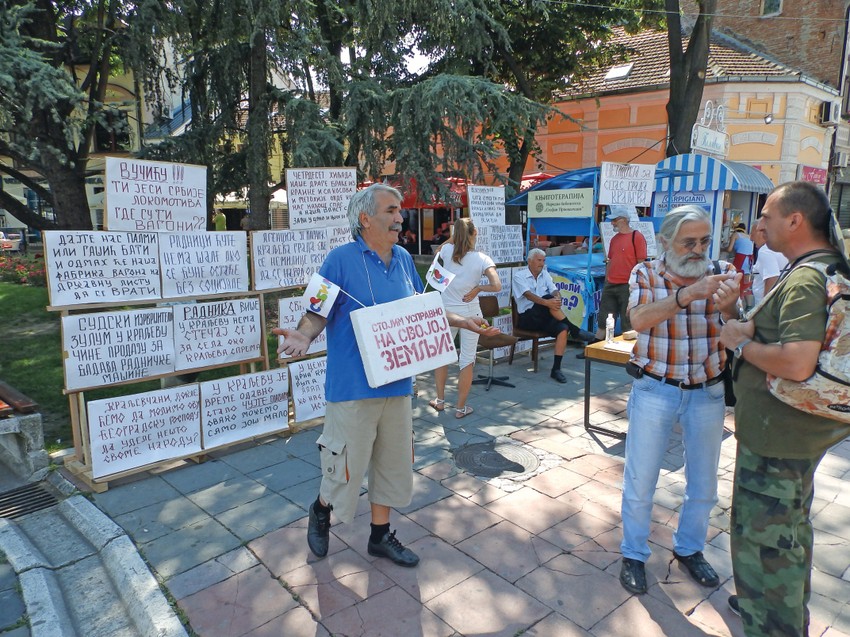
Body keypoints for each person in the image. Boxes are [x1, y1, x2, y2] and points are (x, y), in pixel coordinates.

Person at [273, 184, 496, 568]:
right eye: (392, 211)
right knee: (346, 466)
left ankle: (379, 536)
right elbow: (316, 310)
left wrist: (463, 320)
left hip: (397, 381)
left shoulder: (405, 259)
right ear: (365, 219)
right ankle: (322, 510)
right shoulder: (339, 259)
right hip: (352, 386)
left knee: (392, 464)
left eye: (400, 211)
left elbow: (423, 309)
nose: (400, 218)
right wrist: (304, 334)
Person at [720, 181, 850, 637]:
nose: (758, 224)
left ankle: (772, 621)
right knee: (788, 535)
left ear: (795, 220)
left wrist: (741, 343)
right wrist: (735, 313)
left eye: (767, 215)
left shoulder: (806, 278)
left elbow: (796, 361)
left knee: (764, 546)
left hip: (779, 440)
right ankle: (782, 611)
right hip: (791, 436)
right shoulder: (821, 268)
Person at [618, 205, 742, 596]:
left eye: (705, 240)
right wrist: (686, 295)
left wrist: (731, 307)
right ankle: (634, 554)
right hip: (656, 387)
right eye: (689, 242)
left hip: (707, 389)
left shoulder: (721, 270)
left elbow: (737, 328)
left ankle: (690, 548)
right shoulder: (646, 273)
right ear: (666, 242)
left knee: (704, 483)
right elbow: (637, 320)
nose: (698, 249)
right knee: (641, 479)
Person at [430, 218, 501, 418]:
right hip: (471, 311)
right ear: (475, 233)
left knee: (442, 356)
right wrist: (478, 288)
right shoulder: (482, 259)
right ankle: (460, 408)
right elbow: (496, 286)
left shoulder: (446, 252)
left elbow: (437, 251)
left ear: (455, 234)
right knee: (467, 360)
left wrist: (453, 238)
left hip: (446, 311)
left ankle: (440, 400)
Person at [512, 248, 598, 382]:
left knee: (563, 328)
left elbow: (554, 289)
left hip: (544, 317)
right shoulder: (519, 276)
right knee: (546, 299)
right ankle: (575, 331)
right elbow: (528, 295)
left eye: (543, 260)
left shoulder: (544, 273)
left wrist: (557, 297)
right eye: (539, 260)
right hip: (527, 319)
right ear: (529, 261)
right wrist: (547, 301)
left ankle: (556, 369)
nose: (541, 263)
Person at [595, 209, 647, 340]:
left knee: (627, 321)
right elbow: (610, 261)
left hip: (628, 285)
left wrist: (636, 284)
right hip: (611, 284)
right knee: (603, 319)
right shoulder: (614, 239)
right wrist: (607, 280)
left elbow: (641, 263)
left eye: (614, 220)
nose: (612, 223)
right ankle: (593, 347)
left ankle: (628, 353)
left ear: (623, 220)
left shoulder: (637, 236)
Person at [749, 224, 788, 305]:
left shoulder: (765, 251)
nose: (751, 238)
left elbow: (772, 278)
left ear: (761, 232)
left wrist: (765, 308)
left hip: (767, 306)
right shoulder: (781, 247)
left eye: (752, 234)